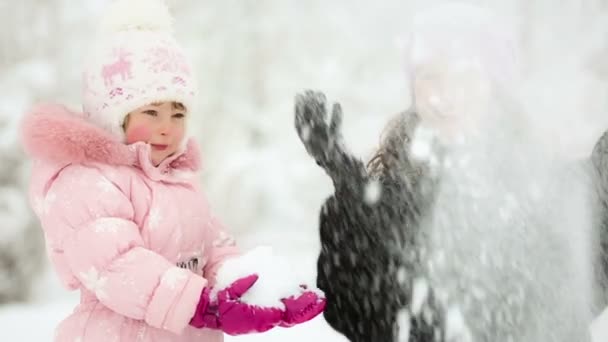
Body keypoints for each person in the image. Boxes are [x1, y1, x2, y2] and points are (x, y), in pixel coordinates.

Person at [20, 1, 324, 341]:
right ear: (113, 115)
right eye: (151, 113)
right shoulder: (86, 181)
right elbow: (116, 265)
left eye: (178, 114)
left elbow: (214, 245)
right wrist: (201, 305)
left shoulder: (177, 181)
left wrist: (249, 287)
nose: (167, 128)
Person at [295, 3, 595, 342]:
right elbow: (355, 311)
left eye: (466, 75)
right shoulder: (391, 188)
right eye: (430, 76)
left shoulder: (546, 189)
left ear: (494, 87)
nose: (447, 94)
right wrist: (349, 184)